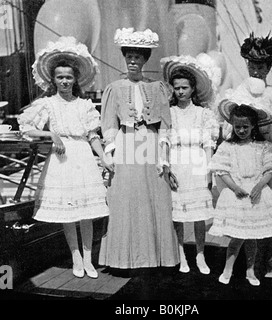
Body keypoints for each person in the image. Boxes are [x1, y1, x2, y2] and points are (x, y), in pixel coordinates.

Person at [18, 36, 111, 279]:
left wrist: (104, 158)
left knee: (86, 213)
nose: (64, 81)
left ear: (75, 79)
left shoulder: (84, 105)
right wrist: (51, 134)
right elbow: (27, 127)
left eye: (68, 77)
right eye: (60, 77)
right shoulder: (48, 104)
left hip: (82, 158)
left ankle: (89, 260)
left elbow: (92, 136)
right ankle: (76, 258)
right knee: (69, 213)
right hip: (61, 160)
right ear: (53, 79)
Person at [98, 28, 180, 270]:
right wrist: (109, 152)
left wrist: (164, 156)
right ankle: (123, 260)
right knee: (126, 199)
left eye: (137, 57)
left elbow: (165, 124)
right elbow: (109, 124)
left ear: (145, 60)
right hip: (126, 143)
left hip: (151, 143)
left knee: (153, 197)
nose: (133, 61)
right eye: (129, 57)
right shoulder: (114, 87)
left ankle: (155, 259)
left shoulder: (157, 88)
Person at [209, 101, 272, 286]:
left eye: (245, 126)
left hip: (256, 194)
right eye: (238, 127)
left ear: (253, 126)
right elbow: (222, 170)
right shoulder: (228, 146)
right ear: (233, 126)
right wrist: (234, 187)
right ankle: (227, 269)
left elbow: (271, 169)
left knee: (252, 236)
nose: (242, 130)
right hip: (237, 193)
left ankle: (250, 270)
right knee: (238, 236)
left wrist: (260, 185)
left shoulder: (263, 146)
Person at [160, 54, 221, 274]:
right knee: (178, 214)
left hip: (197, 162)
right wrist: (166, 167)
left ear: (193, 89)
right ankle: (181, 255)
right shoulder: (170, 113)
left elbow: (208, 143)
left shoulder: (203, 114)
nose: (181, 92)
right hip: (177, 162)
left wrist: (208, 170)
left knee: (198, 215)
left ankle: (200, 254)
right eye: (177, 88)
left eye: (185, 88)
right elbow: (164, 141)